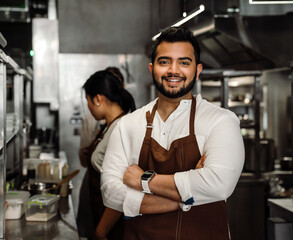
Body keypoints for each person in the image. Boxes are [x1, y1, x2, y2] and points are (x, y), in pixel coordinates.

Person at [100, 26, 244, 239]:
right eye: (164, 61)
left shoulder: (221, 121)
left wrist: (143, 180)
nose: (173, 70)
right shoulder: (128, 125)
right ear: (152, 68)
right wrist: (183, 199)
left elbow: (218, 185)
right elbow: (111, 194)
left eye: (184, 62)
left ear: (198, 70)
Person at [82, 70, 136, 240]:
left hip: (115, 226)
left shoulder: (120, 128)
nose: (88, 107)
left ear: (98, 99)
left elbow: (122, 188)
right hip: (103, 218)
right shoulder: (109, 126)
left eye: (88, 101)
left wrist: (101, 231)